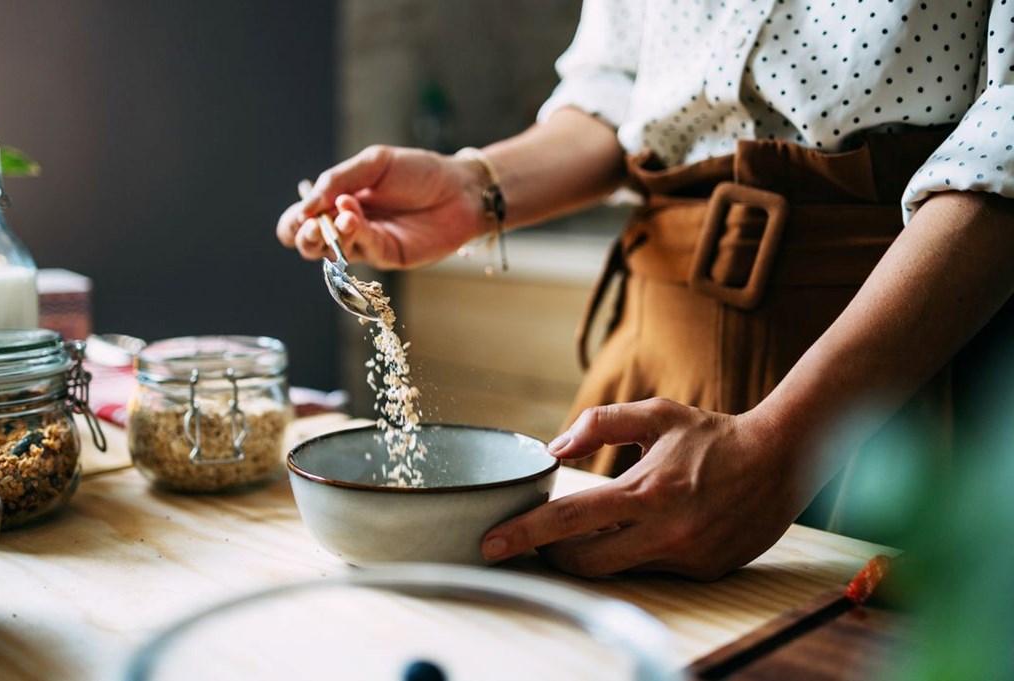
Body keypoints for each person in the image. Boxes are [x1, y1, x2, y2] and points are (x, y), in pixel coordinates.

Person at [277, 1, 1014, 580]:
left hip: (898, 378)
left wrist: (784, 444)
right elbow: (613, 90)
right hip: (656, 353)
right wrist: (474, 186)